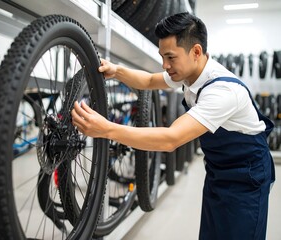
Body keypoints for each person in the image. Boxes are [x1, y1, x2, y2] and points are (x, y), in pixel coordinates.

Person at [71, 12, 275, 240]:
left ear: (196, 51)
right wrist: (116, 70)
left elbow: (171, 139)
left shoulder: (222, 91)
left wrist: (106, 129)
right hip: (218, 172)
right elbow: (148, 81)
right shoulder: (188, 72)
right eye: (162, 57)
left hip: (247, 178)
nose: (165, 65)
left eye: (170, 57)